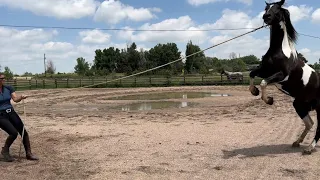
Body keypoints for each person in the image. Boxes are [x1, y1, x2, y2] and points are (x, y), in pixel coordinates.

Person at [0, 73, 38, 162]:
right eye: (1, 78)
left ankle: (29, 154)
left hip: (11, 112)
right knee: (13, 133)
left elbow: (15, 99)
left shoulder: (8, 88)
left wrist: (21, 97)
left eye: (3, 78)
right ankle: (5, 150)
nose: (3, 80)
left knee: (24, 132)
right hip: (1, 115)